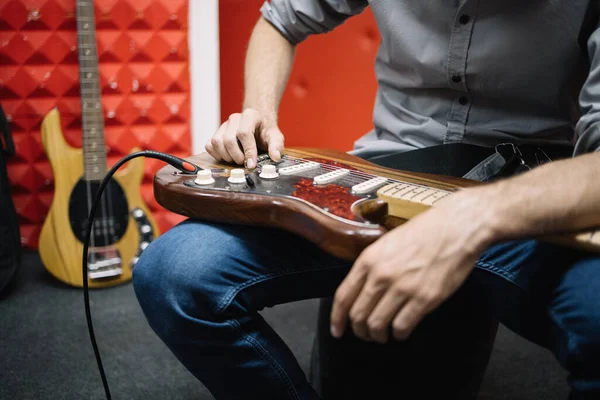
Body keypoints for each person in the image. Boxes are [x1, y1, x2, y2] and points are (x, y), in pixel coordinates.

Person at [132, 1, 600, 399]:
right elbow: (278, 20)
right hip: (387, 169)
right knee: (173, 273)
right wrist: (258, 113)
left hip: (530, 194)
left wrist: (468, 218)